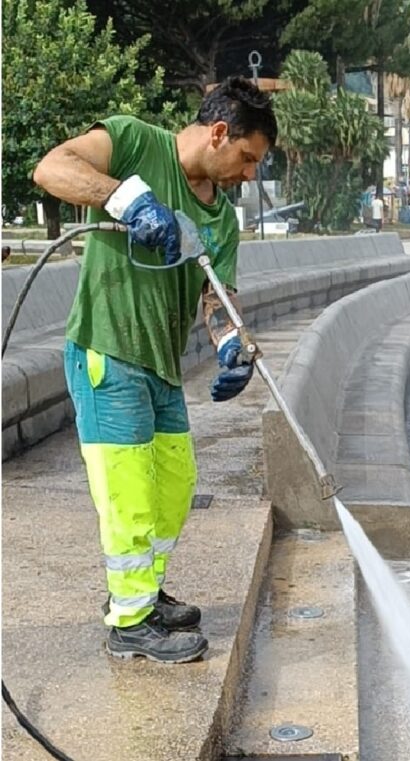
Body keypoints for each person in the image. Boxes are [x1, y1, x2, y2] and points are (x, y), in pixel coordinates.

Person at [32, 77, 277, 664]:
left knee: (174, 486)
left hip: (162, 366)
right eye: (247, 159)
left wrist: (229, 346)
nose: (249, 176)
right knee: (130, 494)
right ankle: (129, 624)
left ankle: (142, 591)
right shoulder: (134, 142)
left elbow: (219, 297)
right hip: (107, 350)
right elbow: (52, 168)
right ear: (219, 133)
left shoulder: (220, 220)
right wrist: (126, 199)